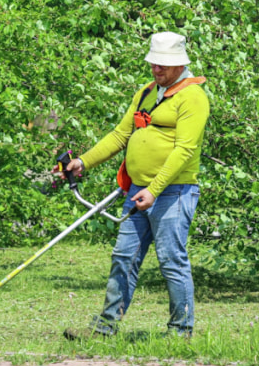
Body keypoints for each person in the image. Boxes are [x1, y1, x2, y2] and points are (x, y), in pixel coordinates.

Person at [60, 32, 210, 339]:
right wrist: (83, 162)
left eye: (163, 65)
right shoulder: (146, 92)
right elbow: (119, 135)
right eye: (153, 63)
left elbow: (184, 150)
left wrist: (154, 189)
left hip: (173, 193)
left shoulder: (193, 97)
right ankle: (104, 329)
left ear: (180, 64)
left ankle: (181, 332)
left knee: (171, 261)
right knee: (123, 258)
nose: (156, 69)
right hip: (137, 191)